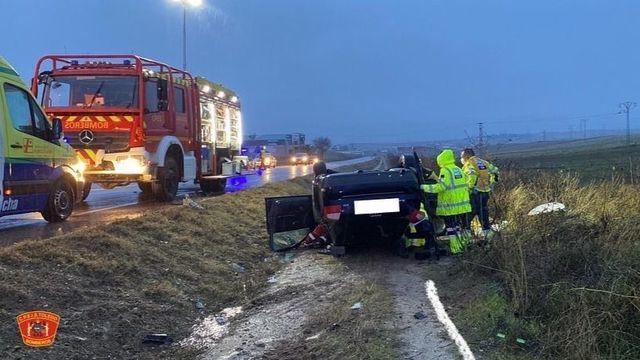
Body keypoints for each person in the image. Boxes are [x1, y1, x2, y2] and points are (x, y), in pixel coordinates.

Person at [422, 149, 472, 254]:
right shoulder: (457, 169)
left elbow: (442, 187)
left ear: (441, 160)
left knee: (451, 228)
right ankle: (461, 246)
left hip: (450, 205)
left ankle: (455, 249)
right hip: (461, 204)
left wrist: (424, 187)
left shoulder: (445, 170)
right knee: (457, 227)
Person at [460, 148, 499, 239]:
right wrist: (492, 183)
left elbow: (471, 175)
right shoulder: (483, 162)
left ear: (467, 156)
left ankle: (467, 237)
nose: (461, 159)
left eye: (462, 157)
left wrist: (469, 188)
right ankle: (488, 236)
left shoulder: (469, 163)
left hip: (475, 193)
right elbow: (495, 171)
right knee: (483, 214)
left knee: (467, 216)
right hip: (485, 192)